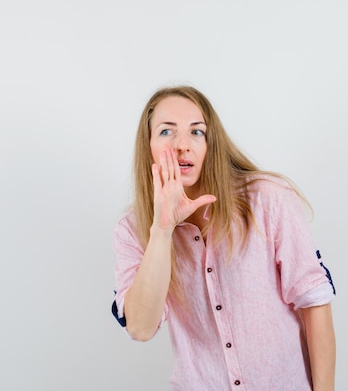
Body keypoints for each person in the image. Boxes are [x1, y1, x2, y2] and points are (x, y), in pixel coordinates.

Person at [111, 85, 336, 391]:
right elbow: (139, 327)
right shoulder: (132, 229)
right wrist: (162, 229)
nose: (181, 145)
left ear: (211, 142)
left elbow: (315, 303)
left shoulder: (267, 199)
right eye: (166, 132)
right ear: (147, 145)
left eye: (196, 132)